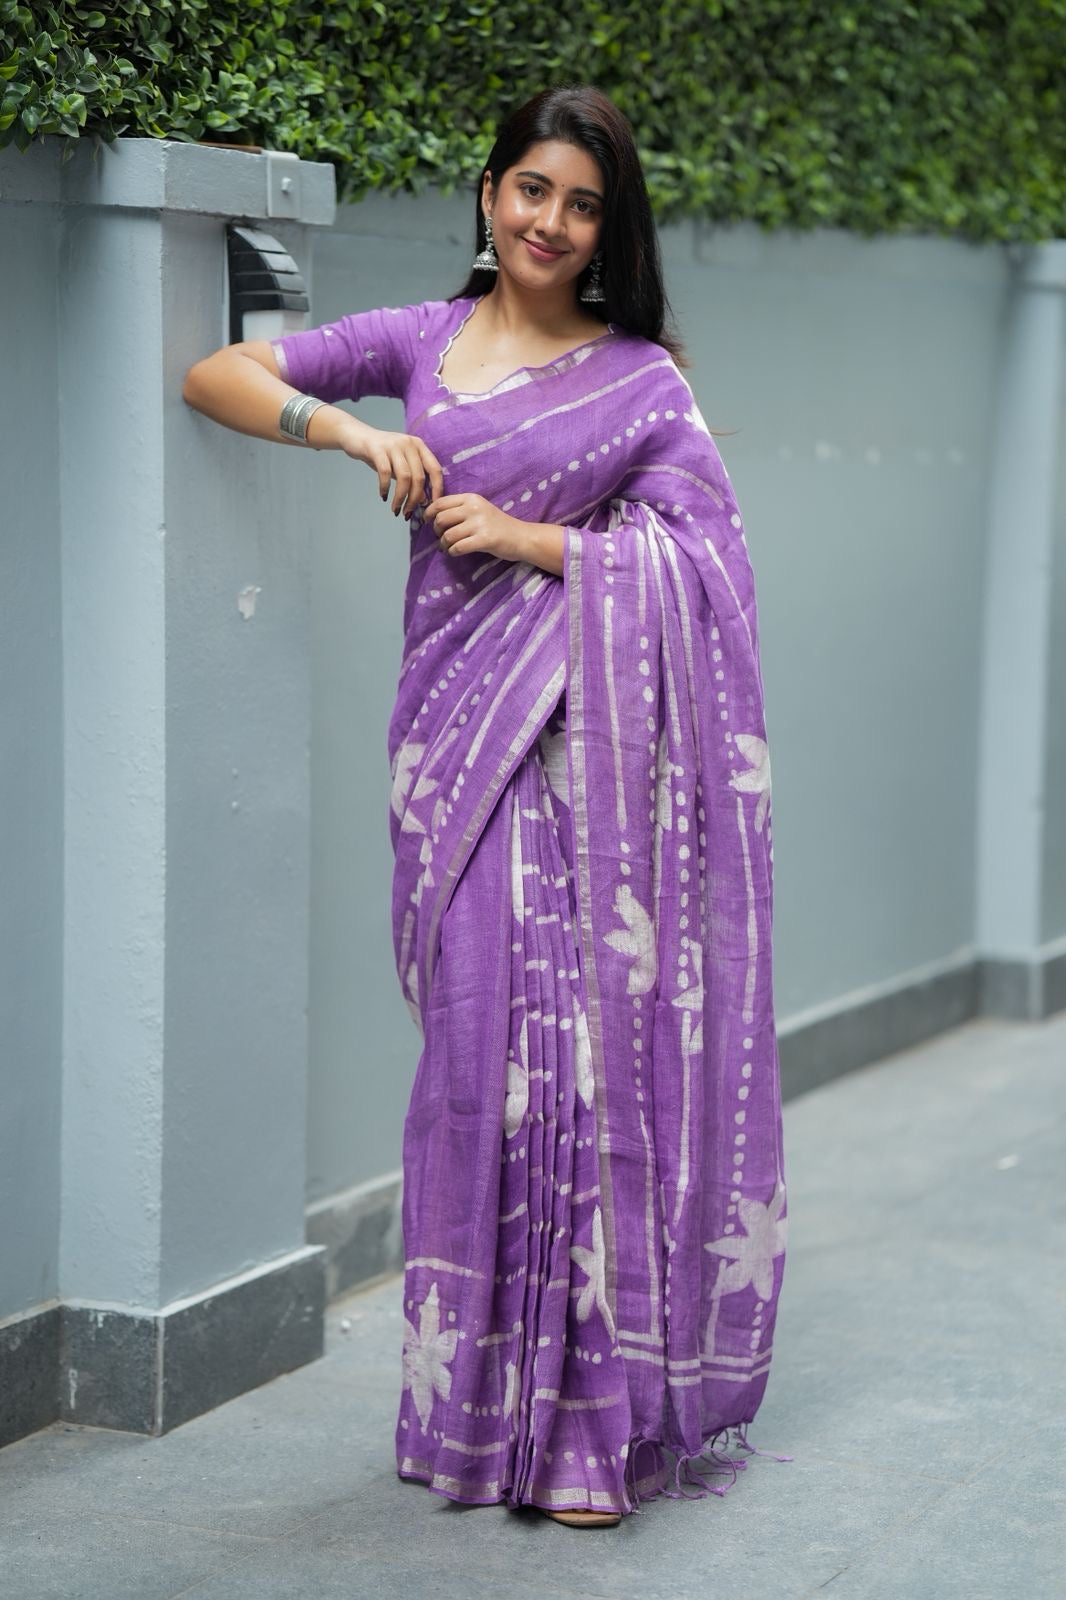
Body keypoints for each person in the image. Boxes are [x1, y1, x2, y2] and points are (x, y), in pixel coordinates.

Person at [183, 84, 789, 1529]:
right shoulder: (419, 340)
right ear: (486, 191)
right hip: (453, 760)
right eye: (531, 188)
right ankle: (469, 1414)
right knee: (475, 1069)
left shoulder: (640, 378)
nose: (550, 222)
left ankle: (589, 1438)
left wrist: (533, 539)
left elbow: (712, 571)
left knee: (590, 1070)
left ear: (605, 228)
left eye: (581, 204)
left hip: (594, 770)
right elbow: (216, 373)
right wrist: (352, 438)